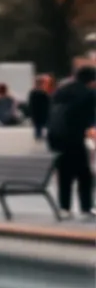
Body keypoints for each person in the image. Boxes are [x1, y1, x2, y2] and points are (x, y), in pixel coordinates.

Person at [47, 66, 96, 221]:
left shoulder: (61, 91)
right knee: (84, 175)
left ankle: (65, 208)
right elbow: (90, 117)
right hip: (73, 138)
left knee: (65, 174)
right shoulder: (88, 93)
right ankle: (86, 208)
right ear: (91, 80)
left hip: (56, 138)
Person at [26, 74, 55, 142]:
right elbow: (48, 102)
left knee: (38, 125)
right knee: (43, 124)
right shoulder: (43, 92)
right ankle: (43, 135)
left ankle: (38, 135)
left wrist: (30, 112)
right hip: (43, 111)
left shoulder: (33, 92)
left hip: (37, 112)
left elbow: (30, 103)